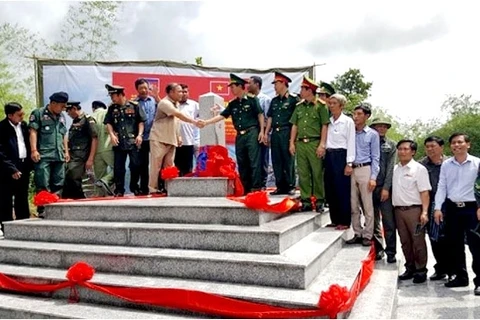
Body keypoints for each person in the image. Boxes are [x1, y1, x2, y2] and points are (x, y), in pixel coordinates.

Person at [202, 73, 264, 194]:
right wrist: (206, 122)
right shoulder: (232, 104)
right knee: (242, 161)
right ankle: (246, 188)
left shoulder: (252, 100)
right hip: (240, 135)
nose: (231, 89)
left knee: (254, 161)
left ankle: (256, 187)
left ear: (240, 86)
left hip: (252, 132)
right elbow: (222, 115)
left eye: (233, 86)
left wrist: (261, 131)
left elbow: (260, 115)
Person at [435, 133, 480, 295]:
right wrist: (438, 208)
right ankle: (460, 277)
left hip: (473, 209)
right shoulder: (447, 165)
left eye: (460, 142)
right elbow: (442, 186)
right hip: (453, 208)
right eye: (453, 143)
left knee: (477, 245)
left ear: (468, 144)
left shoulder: (477, 163)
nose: (456, 145)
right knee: (454, 244)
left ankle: (479, 281)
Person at [392, 139, 431, 284]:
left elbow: (424, 192)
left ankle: (421, 270)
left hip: (414, 210)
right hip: (398, 210)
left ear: (413, 152)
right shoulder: (395, 169)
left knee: (418, 241)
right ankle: (410, 267)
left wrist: (424, 212)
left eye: (406, 149)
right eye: (400, 149)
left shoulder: (419, 169)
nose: (402, 152)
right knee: (405, 241)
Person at [289, 75, 329, 212]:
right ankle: (305, 200)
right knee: (303, 172)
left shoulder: (321, 106)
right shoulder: (299, 106)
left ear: (309, 90)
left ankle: (319, 200)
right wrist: (292, 143)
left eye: (302, 88)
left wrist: (322, 144)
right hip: (301, 143)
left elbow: (325, 125)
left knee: (317, 172)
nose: (300, 91)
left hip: (314, 142)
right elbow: (294, 125)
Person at [149, 83, 198, 193]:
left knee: (169, 166)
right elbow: (177, 114)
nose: (182, 94)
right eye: (179, 91)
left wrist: (179, 136)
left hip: (171, 140)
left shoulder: (175, 103)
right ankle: (153, 189)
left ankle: (169, 188)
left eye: (182, 91)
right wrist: (194, 121)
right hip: (159, 139)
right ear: (171, 92)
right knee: (156, 167)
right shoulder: (165, 103)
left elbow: (176, 121)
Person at [29, 91, 69, 217]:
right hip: (44, 155)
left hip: (59, 155)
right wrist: (34, 150)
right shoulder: (38, 113)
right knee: (43, 183)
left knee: (58, 183)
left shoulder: (61, 116)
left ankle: (55, 210)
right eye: (61, 106)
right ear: (53, 103)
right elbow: (33, 132)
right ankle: (42, 210)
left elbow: (63, 134)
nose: (63, 109)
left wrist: (66, 151)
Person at [346, 104, 380, 247]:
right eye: (355, 114)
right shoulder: (349, 132)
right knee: (353, 204)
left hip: (365, 168)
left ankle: (368, 234)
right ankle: (357, 232)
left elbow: (376, 157)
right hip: (350, 169)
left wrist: (373, 177)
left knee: (367, 205)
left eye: (360, 114)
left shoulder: (372, 134)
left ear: (367, 116)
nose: (356, 117)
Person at [103, 84, 146, 197]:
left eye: (113, 95)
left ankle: (134, 187)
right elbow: (108, 123)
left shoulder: (134, 106)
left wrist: (140, 135)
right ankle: (119, 190)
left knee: (135, 166)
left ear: (120, 95)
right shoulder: (112, 108)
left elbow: (141, 122)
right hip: (119, 142)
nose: (112, 98)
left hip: (133, 141)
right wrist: (112, 135)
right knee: (119, 168)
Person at [419, 136, 451, 281]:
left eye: (433, 146)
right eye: (427, 147)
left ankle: (454, 269)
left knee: (451, 238)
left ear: (441, 147)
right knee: (434, 238)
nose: (430, 149)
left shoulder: (450, 163)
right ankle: (440, 268)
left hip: (450, 204)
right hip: (431, 204)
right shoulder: (422, 165)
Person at [324, 93, 355, 230]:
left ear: (341, 106)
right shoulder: (328, 121)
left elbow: (351, 142)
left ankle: (344, 220)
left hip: (342, 155)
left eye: (334, 103)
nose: (331, 106)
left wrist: (349, 163)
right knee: (330, 188)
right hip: (329, 155)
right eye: (330, 103)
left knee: (342, 189)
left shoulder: (348, 121)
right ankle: (334, 219)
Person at [264, 71, 298, 195]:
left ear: (283, 83)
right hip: (275, 133)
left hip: (287, 131)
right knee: (277, 160)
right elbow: (270, 118)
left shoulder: (294, 99)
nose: (274, 87)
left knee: (288, 159)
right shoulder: (274, 101)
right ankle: (280, 186)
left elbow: (297, 120)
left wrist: (293, 139)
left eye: (276, 84)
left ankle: (290, 185)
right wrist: (267, 133)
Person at [0, 102, 33, 231]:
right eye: (19, 114)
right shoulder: (2, 128)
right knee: (6, 198)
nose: (22, 116)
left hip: (23, 164)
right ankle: (7, 227)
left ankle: (23, 225)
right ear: (10, 115)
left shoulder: (23, 126)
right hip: (7, 168)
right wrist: (11, 169)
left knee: (22, 197)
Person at [370, 117, 397, 263]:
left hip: (384, 187)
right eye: (378, 126)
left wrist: (386, 188)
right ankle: (378, 249)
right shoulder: (367, 142)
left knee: (388, 222)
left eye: (384, 126)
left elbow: (391, 168)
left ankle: (391, 251)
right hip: (370, 186)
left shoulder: (391, 145)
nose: (381, 129)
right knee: (373, 221)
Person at [63, 101, 98, 199]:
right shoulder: (75, 121)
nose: (68, 114)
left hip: (82, 156)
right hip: (73, 155)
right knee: (69, 178)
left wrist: (90, 159)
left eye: (68, 111)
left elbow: (94, 138)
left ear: (74, 108)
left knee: (74, 178)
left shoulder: (87, 119)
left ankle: (80, 201)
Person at [134, 78, 158, 195]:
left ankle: (155, 187)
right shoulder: (134, 103)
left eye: (145, 88)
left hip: (154, 137)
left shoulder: (154, 101)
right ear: (137, 90)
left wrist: (157, 96)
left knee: (156, 164)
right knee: (142, 164)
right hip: (141, 138)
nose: (144, 90)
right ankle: (143, 188)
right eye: (141, 88)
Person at [248, 76, 272, 189]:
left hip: (261, 133)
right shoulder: (248, 99)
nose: (248, 85)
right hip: (250, 134)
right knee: (252, 160)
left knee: (263, 159)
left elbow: (268, 118)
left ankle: (262, 183)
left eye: (250, 83)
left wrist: (265, 133)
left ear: (257, 84)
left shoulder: (265, 99)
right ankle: (253, 183)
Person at [174, 84, 200, 176]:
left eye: (185, 92)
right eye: (181, 92)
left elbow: (204, 116)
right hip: (174, 142)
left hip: (189, 141)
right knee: (175, 169)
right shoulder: (173, 104)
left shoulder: (194, 105)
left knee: (187, 170)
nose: (183, 94)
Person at [90, 100, 114, 196]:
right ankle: (106, 180)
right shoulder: (108, 113)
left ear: (93, 108)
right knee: (119, 170)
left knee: (99, 177)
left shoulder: (91, 117)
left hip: (95, 151)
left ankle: (99, 197)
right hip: (108, 147)